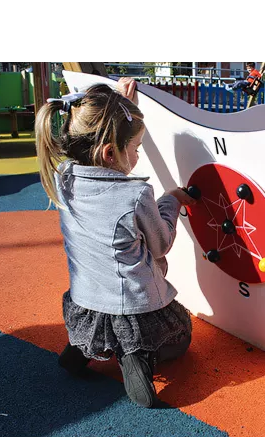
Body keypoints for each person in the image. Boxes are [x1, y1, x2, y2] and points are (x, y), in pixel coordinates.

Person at [35, 77, 196, 408]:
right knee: (181, 338)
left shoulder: (62, 178)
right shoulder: (135, 194)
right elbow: (161, 243)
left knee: (101, 324)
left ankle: (80, 351)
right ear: (110, 152)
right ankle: (135, 360)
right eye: (135, 149)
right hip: (135, 303)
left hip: (87, 299)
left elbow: (96, 132)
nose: (137, 155)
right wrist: (172, 199)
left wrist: (119, 103)